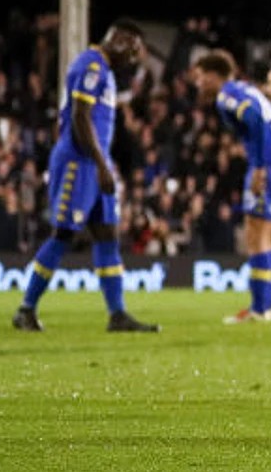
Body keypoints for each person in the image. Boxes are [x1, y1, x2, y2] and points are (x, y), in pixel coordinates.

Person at [11, 20, 160, 334]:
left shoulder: (103, 71)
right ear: (117, 39)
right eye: (132, 49)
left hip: (95, 163)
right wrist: (101, 164)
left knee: (108, 235)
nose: (133, 58)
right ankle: (26, 309)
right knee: (64, 234)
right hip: (79, 162)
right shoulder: (90, 64)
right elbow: (80, 116)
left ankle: (117, 314)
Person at [193, 49, 271, 323]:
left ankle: (261, 309)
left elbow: (254, 119)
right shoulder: (242, 89)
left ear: (215, 76)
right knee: (257, 235)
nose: (198, 83)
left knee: (260, 237)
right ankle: (261, 306)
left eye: (202, 77)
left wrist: (261, 167)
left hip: (270, 165)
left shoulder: (228, 95)